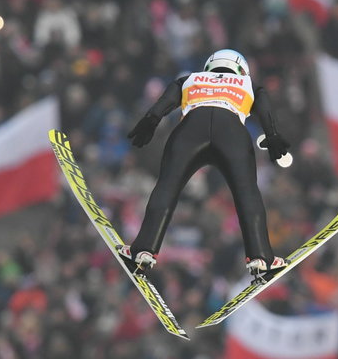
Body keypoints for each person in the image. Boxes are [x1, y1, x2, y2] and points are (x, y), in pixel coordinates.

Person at [123, 49, 292, 279]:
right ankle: (261, 258)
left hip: (191, 130)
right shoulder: (247, 83)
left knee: (167, 187)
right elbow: (264, 107)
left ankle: (143, 250)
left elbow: (166, 100)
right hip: (231, 132)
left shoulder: (191, 78)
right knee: (247, 194)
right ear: (241, 69)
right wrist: (272, 135)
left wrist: (151, 119)